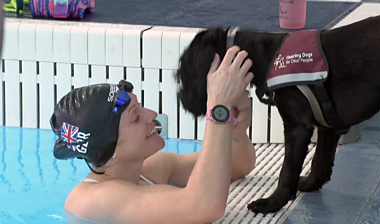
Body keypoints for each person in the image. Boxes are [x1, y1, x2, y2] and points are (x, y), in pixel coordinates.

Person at [50, 46, 255, 224]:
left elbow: (237, 166)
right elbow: (204, 207)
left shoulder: (149, 170)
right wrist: (218, 109)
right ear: (110, 145)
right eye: (136, 117)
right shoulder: (92, 199)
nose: (151, 115)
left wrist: (234, 128)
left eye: (140, 107)